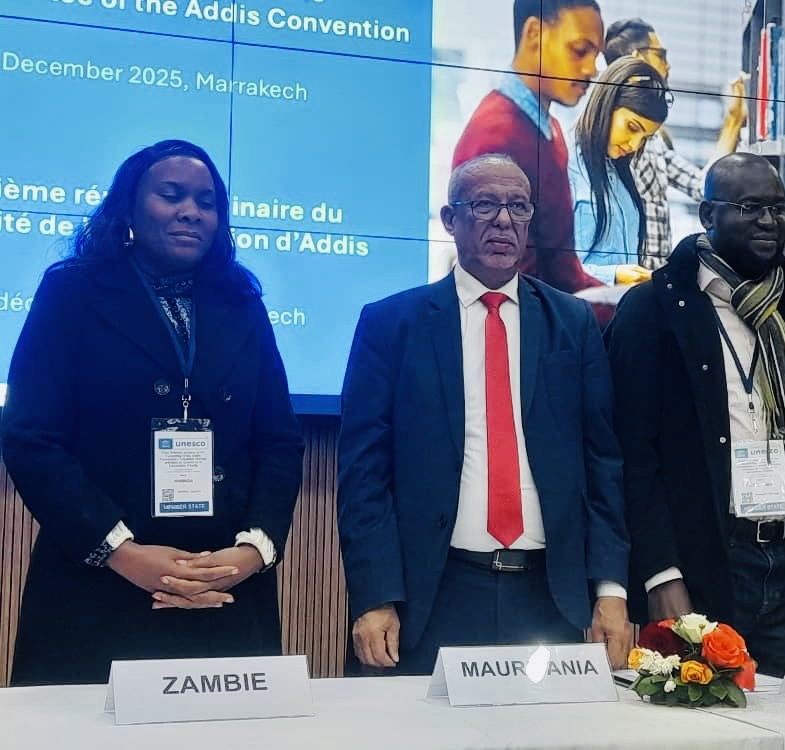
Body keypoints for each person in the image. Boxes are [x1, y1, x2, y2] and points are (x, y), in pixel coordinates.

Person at [1, 140, 304, 685]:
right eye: (172, 195)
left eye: (207, 202)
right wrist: (121, 552)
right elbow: (31, 437)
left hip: (224, 583)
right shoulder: (73, 291)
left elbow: (279, 441)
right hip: (99, 583)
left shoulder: (241, 301)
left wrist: (253, 551)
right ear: (130, 208)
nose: (191, 211)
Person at [337, 154, 631, 675]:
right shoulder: (392, 324)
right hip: (433, 595)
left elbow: (601, 461)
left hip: (549, 597)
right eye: (485, 205)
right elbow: (364, 474)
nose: (503, 221)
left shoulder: (573, 321)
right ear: (451, 219)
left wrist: (610, 589)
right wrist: (375, 596)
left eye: (518, 207)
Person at [605, 153, 785, 676]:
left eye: (778, 209)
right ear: (708, 214)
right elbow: (632, 457)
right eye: (750, 207)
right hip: (705, 564)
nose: (769, 222)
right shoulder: (654, 310)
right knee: (703, 716)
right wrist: (661, 574)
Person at [452, 0, 649, 302]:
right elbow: (508, 287)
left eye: (595, 55)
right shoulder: (497, 133)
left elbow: (560, 272)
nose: (591, 69)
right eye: (580, 50)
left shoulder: (547, 128)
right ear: (534, 34)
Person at [603, 17, 748, 268]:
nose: (668, 65)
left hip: (654, 280)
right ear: (638, 57)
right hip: (625, 283)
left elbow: (702, 186)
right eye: (661, 55)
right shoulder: (607, 138)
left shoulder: (654, 140)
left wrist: (734, 120)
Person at [568, 56, 670, 285]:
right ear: (607, 105)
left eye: (645, 138)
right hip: (579, 305)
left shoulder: (618, 171)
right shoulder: (563, 165)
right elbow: (546, 269)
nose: (634, 145)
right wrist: (613, 276)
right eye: (632, 127)